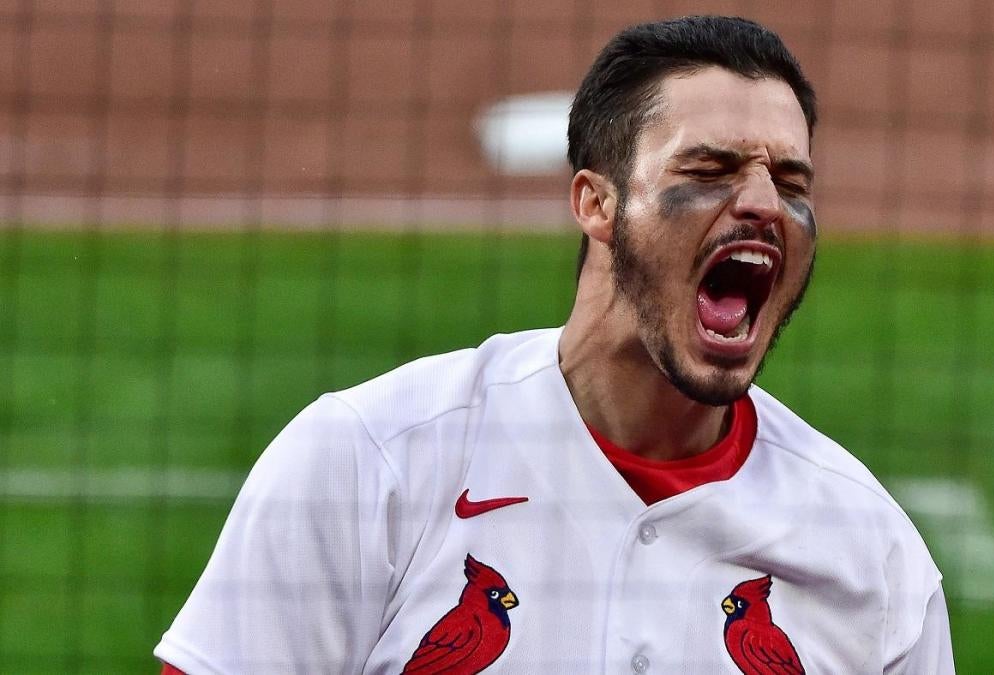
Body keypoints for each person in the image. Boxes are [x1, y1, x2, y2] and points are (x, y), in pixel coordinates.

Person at [156, 15, 953, 674]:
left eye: (792, 182)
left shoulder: (872, 558)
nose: (761, 204)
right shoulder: (372, 462)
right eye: (710, 168)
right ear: (595, 203)